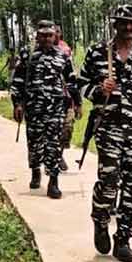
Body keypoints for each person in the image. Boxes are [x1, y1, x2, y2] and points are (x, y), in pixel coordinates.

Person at [77, 5, 132, 262]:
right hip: (109, 128)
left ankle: (124, 239)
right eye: (124, 23)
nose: (129, 27)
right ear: (115, 24)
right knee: (109, 181)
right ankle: (101, 221)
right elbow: (80, 83)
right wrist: (97, 90)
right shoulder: (97, 53)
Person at [10, 20, 80, 200]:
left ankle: (53, 182)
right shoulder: (27, 55)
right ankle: (35, 171)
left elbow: (71, 81)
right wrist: (17, 103)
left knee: (54, 145)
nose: (46, 38)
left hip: (56, 108)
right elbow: (17, 80)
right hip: (33, 108)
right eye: (43, 35)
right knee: (34, 143)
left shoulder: (62, 56)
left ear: (55, 36)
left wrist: (77, 103)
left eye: (50, 35)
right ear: (37, 36)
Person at [55, 24, 81, 171]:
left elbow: (72, 77)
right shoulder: (41, 52)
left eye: (58, 31)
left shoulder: (65, 50)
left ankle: (59, 154)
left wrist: (78, 102)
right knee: (52, 130)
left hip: (67, 98)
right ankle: (53, 159)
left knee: (67, 129)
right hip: (50, 101)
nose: (56, 34)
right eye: (54, 31)